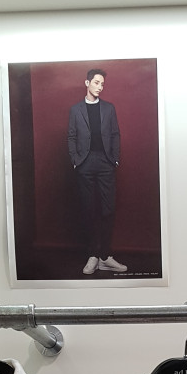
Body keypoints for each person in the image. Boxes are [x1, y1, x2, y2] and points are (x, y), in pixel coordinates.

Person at [67, 68, 127, 275]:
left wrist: (115, 159)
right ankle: (93, 255)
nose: (100, 87)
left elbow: (115, 134)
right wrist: (75, 161)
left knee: (108, 209)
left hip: (105, 162)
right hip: (84, 163)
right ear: (87, 83)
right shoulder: (75, 110)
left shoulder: (109, 108)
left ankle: (105, 256)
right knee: (88, 209)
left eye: (102, 84)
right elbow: (71, 136)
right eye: (96, 83)